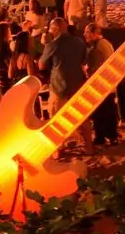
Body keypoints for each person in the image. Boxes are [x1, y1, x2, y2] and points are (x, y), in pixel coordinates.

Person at [39, 18, 93, 146]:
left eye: (50, 28)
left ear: (56, 29)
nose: (49, 31)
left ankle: (58, 150)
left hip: (59, 86)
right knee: (82, 116)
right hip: (77, 84)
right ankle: (89, 146)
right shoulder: (79, 42)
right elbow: (84, 61)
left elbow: (41, 65)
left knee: (56, 118)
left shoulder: (52, 45)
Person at [83, 23, 119, 145]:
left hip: (102, 85)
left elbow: (96, 67)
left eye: (87, 32)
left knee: (103, 112)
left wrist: (87, 71)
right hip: (108, 84)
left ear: (94, 33)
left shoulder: (99, 47)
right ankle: (106, 136)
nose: (84, 35)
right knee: (106, 111)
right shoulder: (106, 44)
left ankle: (105, 136)